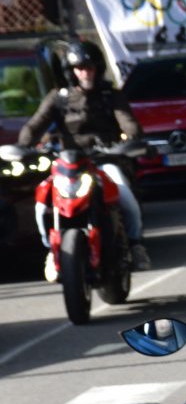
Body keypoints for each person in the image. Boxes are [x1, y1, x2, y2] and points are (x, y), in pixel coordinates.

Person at [17, 40, 149, 279]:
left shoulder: (111, 95)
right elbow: (34, 124)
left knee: (125, 195)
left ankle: (136, 243)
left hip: (104, 160)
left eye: (89, 67)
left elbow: (128, 123)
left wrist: (130, 140)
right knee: (41, 201)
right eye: (79, 68)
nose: (85, 72)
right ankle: (50, 250)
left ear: (98, 68)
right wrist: (24, 145)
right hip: (68, 164)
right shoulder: (59, 97)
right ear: (71, 71)